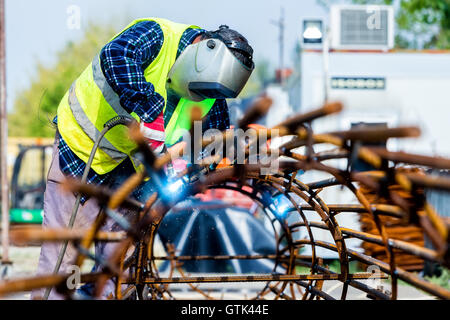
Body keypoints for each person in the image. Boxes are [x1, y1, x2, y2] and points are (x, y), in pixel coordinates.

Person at [32, 17, 254, 300]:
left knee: (121, 267)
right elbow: (117, 55)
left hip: (134, 176)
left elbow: (215, 139)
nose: (204, 99)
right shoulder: (157, 35)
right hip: (83, 154)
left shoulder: (213, 91)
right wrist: (150, 110)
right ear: (202, 50)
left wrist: (197, 165)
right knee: (62, 258)